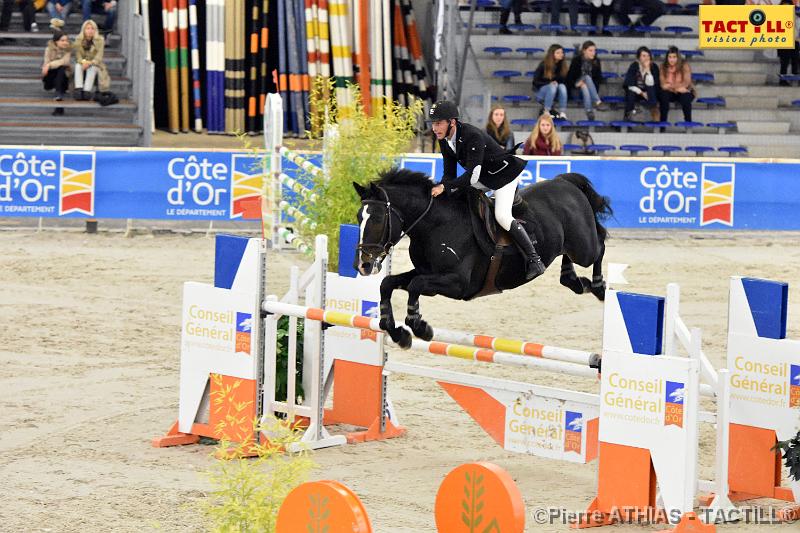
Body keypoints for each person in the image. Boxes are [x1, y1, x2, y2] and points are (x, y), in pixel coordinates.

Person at [428, 100, 545, 280]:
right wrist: (442, 188)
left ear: (452, 122)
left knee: (502, 216)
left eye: (438, 123)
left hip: (504, 175)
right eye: (433, 124)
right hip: (484, 177)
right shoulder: (444, 140)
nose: (434, 128)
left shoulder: (471, 135)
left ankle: (534, 260)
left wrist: (445, 187)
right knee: (456, 195)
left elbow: (472, 178)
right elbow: (449, 174)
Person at [73, 19, 110, 100]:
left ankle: (87, 91)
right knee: (78, 65)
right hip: (82, 63)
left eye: (92, 28)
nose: (90, 31)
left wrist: (90, 63)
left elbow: (99, 57)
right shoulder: (78, 39)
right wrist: (83, 62)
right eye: (88, 28)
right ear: (84, 30)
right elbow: (78, 56)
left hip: (95, 63)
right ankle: (78, 90)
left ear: (95, 30)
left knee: (92, 67)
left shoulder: (100, 40)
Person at [567, 40, 604, 120]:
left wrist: (586, 84)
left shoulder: (596, 61)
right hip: (576, 90)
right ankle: (597, 101)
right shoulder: (576, 61)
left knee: (585, 86)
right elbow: (569, 78)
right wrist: (576, 84)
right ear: (584, 51)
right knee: (586, 77)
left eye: (594, 50)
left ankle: (589, 111)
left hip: (591, 90)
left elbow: (599, 79)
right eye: (590, 50)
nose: (593, 53)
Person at [532, 44, 569, 119]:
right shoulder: (543, 65)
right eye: (558, 53)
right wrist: (549, 83)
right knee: (552, 86)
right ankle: (546, 111)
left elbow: (564, 81)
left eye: (562, 53)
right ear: (552, 54)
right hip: (541, 93)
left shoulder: (562, 66)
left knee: (562, 86)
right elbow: (535, 82)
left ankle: (562, 112)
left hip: (554, 93)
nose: (561, 55)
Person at [623, 46, 660, 121]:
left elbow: (654, 84)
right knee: (631, 93)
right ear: (639, 57)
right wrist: (642, 93)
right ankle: (627, 118)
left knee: (653, 91)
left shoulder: (654, 67)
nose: (646, 58)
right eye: (643, 56)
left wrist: (648, 71)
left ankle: (655, 117)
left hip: (650, 92)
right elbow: (630, 85)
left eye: (648, 56)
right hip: (637, 92)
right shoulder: (634, 66)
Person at [658, 46, 694, 122]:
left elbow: (686, 82)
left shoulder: (685, 65)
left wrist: (670, 86)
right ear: (667, 58)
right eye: (670, 57)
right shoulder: (662, 66)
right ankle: (662, 124)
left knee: (686, 98)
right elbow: (663, 85)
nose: (672, 59)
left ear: (678, 58)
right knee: (663, 95)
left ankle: (688, 123)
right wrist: (676, 88)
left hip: (683, 91)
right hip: (671, 92)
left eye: (674, 57)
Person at [42, 29, 71, 116]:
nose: (65, 42)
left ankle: (58, 99)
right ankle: (58, 96)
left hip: (64, 79)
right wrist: (48, 66)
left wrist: (49, 65)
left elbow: (65, 61)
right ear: (56, 42)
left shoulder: (68, 49)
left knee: (61, 69)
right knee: (59, 69)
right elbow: (46, 63)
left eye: (66, 40)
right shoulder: (48, 49)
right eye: (62, 40)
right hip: (50, 78)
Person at [778, 0, 799, 87]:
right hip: (783, 43)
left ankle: (796, 80)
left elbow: (798, 28)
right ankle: (783, 81)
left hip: (795, 42)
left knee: (795, 61)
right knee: (784, 62)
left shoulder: (796, 17)